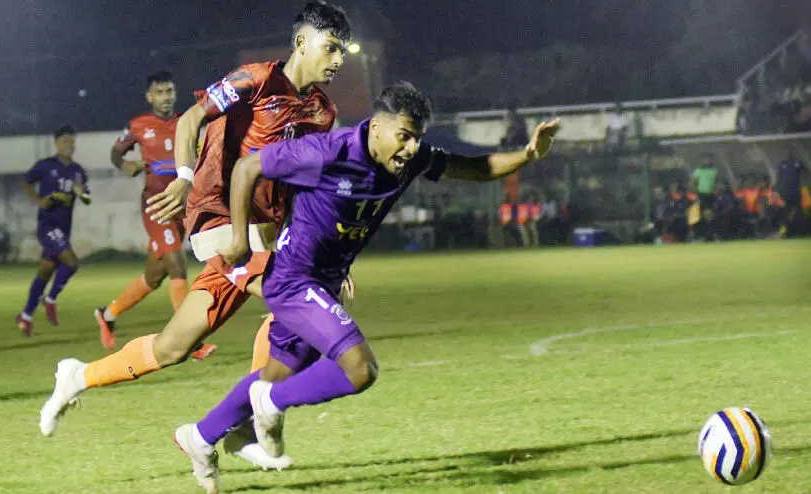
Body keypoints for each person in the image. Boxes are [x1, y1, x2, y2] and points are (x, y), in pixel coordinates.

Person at [171, 82, 560, 493]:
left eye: (418, 138)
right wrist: (237, 240)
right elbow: (247, 168)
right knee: (359, 369)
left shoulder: (410, 160)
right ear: (377, 127)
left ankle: (198, 436)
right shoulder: (329, 152)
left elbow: (474, 168)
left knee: (274, 373)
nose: (411, 147)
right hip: (292, 280)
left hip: (324, 282)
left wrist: (529, 154)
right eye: (404, 136)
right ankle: (270, 403)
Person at [39, 0, 352, 472]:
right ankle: (246, 421)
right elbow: (190, 120)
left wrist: (332, 256)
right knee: (294, 299)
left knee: (173, 346)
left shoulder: (323, 112)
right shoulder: (255, 80)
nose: (337, 61)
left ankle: (77, 376)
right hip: (218, 217)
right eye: (331, 48)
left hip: (265, 231)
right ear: (302, 42)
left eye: (342, 53)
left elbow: (309, 187)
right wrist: (184, 176)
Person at [94, 70, 213, 357]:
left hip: (180, 207)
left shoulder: (187, 121)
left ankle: (107, 315)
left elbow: (199, 155)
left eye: (169, 91)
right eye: (159, 92)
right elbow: (115, 153)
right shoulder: (138, 125)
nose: (165, 97)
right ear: (149, 96)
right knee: (177, 264)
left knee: (154, 276)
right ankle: (188, 340)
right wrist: (126, 166)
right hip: (155, 205)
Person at [15, 125, 90, 336]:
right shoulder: (46, 165)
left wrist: (80, 193)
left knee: (45, 272)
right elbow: (25, 179)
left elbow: (88, 198)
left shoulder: (78, 171)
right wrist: (38, 200)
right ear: (56, 144)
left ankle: (26, 317)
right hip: (47, 226)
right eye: (65, 141)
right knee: (72, 263)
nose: (69, 145)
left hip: (63, 229)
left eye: (72, 141)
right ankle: (50, 299)